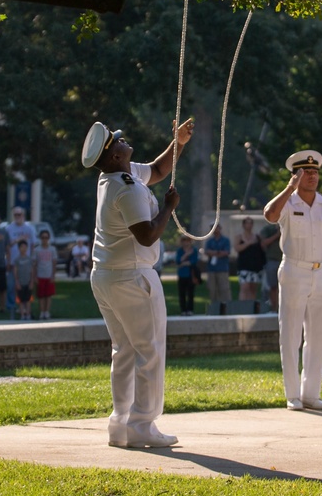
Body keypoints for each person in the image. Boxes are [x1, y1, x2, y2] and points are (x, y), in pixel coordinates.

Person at [82, 117, 194, 448]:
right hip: (132, 276)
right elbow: (146, 236)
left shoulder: (115, 178)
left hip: (106, 275)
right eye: (117, 141)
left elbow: (159, 171)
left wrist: (179, 142)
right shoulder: (127, 188)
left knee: (125, 349)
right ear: (115, 156)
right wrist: (169, 208)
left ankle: (121, 424)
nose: (122, 139)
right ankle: (142, 423)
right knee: (150, 349)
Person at [263, 149, 322, 412]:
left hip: (320, 273)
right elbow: (270, 215)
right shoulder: (288, 202)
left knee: (318, 336)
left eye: (315, 172)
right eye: (306, 172)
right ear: (295, 175)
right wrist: (289, 188)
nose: (312, 176)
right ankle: (293, 394)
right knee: (291, 335)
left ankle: (311, 393)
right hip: (294, 270)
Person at [5, 207, 37, 318]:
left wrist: (32, 259)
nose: (18, 216)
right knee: (12, 285)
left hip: (26, 263)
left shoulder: (29, 228)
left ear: (23, 215)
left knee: (25, 287)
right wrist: (8, 261)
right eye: (16, 215)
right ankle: (12, 307)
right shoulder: (9, 229)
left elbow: (32, 245)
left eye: (20, 214)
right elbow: (7, 246)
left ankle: (24, 309)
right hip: (14, 261)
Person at [202, 224, 231, 313]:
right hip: (211, 269)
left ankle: (227, 308)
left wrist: (214, 252)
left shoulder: (225, 240)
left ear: (220, 228)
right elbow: (206, 251)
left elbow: (226, 252)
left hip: (222, 268)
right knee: (212, 290)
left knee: (224, 290)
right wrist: (218, 252)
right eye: (213, 228)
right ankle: (214, 309)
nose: (215, 230)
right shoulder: (209, 241)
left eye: (217, 227)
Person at [235, 217, 266, 301]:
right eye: (247, 223)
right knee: (244, 287)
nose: (249, 225)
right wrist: (249, 243)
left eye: (250, 223)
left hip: (255, 267)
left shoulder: (257, 237)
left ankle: (252, 307)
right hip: (244, 266)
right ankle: (242, 307)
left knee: (253, 289)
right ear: (243, 225)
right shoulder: (239, 237)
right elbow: (237, 248)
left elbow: (263, 248)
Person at [33, 229, 59, 319]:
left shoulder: (52, 249)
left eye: (46, 237)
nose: (44, 239)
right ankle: (41, 312)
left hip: (49, 275)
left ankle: (47, 311)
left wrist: (53, 275)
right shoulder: (37, 250)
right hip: (40, 275)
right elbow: (34, 264)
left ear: (49, 238)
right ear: (40, 238)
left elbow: (54, 263)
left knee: (48, 295)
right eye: (43, 237)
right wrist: (34, 276)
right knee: (41, 295)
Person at [259, 222, 282, 311]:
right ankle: (274, 308)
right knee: (273, 287)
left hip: (287, 260)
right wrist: (277, 235)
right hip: (272, 261)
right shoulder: (269, 229)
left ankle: (283, 309)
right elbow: (263, 243)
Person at [175, 235, 199, 316]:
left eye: (188, 240)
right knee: (182, 293)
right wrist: (186, 255)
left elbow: (193, 261)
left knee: (190, 293)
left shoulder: (194, 250)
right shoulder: (180, 251)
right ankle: (183, 310)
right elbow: (178, 261)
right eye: (184, 240)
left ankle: (190, 309)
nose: (186, 242)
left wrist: (184, 263)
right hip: (182, 274)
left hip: (190, 274)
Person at [12, 240, 34, 320]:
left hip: (28, 282)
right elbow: (15, 271)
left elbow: (32, 271)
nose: (23, 249)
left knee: (28, 299)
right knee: (21, 300)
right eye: (22, 247)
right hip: (20, 282)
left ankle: (28, 314)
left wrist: (32, 281)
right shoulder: (17, 260)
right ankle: (22, 314)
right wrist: (17, 282)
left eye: (25, 247)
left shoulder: (29, 259)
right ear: (19, 248)